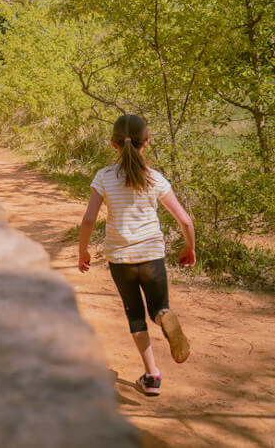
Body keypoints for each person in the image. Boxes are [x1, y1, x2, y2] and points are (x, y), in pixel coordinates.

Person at [78, 113, 195, 397]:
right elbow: (185, 221)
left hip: (120, 259)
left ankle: (152, 376)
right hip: (151, 254)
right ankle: (164, 315)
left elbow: (89, 220)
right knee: (158, 308)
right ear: (147, 143)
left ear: (113, 145)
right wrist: (189, 248)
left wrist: (83, 252)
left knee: (135, 315)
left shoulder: (104, 177)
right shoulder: (154, 178)